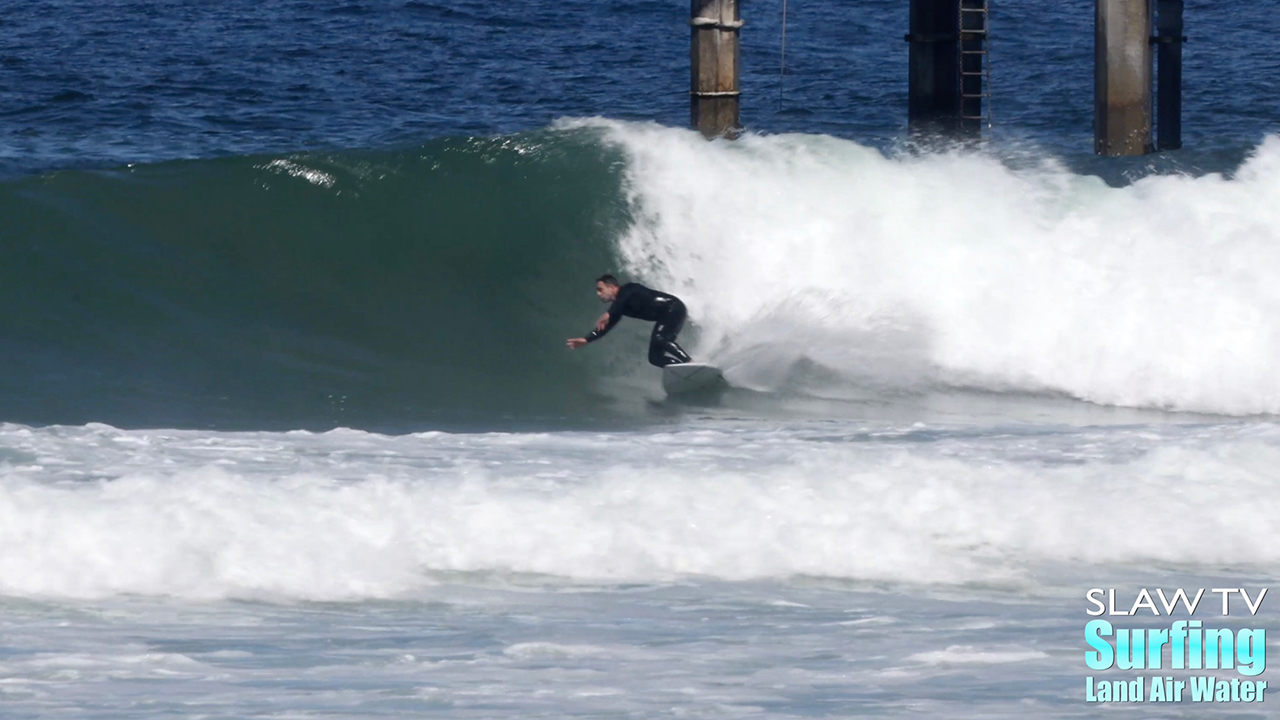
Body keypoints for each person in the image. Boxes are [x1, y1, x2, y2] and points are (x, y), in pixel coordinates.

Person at [566, 274, 692, 367]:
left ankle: (689, 362)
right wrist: (587, 339)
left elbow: (621, 300)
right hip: (666, 315)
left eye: (600, 289)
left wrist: (609, 313)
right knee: (654, 358)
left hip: (674, 308)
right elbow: (606, 327)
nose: (598, 294)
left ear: (611, 287)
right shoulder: (619, 308)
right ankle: (684, 370)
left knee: (660, 338)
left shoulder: (629, 289)